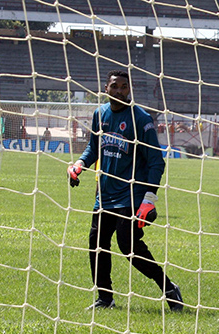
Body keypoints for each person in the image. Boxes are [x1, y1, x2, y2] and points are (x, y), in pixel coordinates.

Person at [68, 70, 184, 311]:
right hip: (104, 196)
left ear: (129, 90)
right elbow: (93, 148)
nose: (119, 91)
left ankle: (168, 287)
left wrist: (149, 199)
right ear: (106, 88)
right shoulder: (100, 114)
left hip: (131, 197)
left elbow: (156, 162)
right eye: (114, 86)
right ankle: (105, 298)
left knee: (128, 246)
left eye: (123, 87)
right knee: (96, 243)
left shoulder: (141, 119)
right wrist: (80, 164)